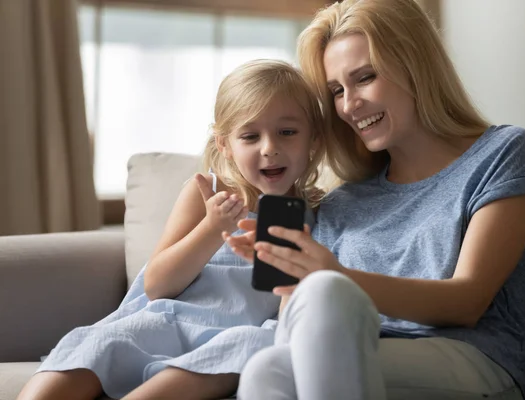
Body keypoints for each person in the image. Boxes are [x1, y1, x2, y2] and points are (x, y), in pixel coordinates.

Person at [226, 1, 525, 399]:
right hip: (352, 352)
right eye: (337, 91)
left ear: (415, 65)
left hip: (471, 357)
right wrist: (292, 281)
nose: (349, 104)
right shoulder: (343, 202)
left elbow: (467, 300)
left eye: (365, 78)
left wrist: (333, 277)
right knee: (266, 367)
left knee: (317, 303)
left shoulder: (504, 153)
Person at [17, 59, 325, 400]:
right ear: (224, 145)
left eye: (287, 132)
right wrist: (212, 227)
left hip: (239, 333)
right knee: (99, 342)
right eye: (250, 136)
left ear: (312, 138)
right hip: (168, 320)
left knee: (251, 345)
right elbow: (157, 285)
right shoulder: (205, 193)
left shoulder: (320, 212)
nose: (270, 148)